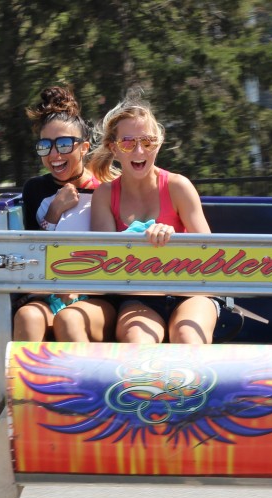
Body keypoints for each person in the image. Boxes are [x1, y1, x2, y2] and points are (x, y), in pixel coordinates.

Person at [89, 95, 218, 345]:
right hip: (139, 297)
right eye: (128, 143)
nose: (139, 151)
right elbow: (104, 268)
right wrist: (138, 243)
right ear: (114, 148)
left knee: (187, 336)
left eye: (147, 142)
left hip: (190, 293)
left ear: (157, 145)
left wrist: (174, 240)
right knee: (138, 341)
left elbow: (210, 255)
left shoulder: (178, 186)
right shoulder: (105, 195)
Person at [13, 86, 116, 342]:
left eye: (64, 144)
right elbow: (32, 250)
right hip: (48, 295)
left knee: (70, 322)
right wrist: (55, 211)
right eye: (45, 146)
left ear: (84, 147)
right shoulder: (36, 189)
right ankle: (28, 382)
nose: (55, 155)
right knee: (27, 317)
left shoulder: (108, 189)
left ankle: (81, 383)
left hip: (96, 297)